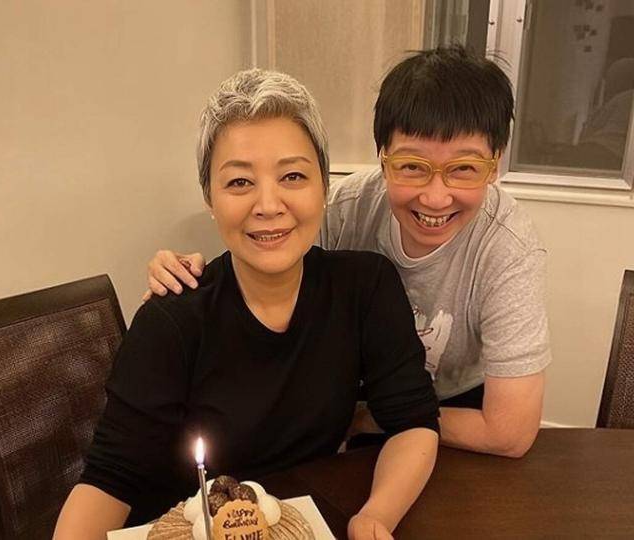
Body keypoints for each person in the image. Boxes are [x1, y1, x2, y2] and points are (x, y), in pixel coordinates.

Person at [54, 69, 439, 540]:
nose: (268, 204)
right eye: (239, 182)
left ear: (323, 186)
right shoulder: (172, 319)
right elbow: (109, 479)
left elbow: (413, 422)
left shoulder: (366, 287)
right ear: (209, 198)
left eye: (293, 176)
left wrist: (374, 516)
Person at [144, 46, 551, 459]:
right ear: (382, 158)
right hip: (355, 402)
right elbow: (267, 270)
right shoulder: (345, 210)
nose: (435, 196)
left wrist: (371, 417)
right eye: (411, 166)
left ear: (495, 165)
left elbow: (509, 432)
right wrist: (193, 279)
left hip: (454, 412)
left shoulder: (508, 249)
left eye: (464, 168)